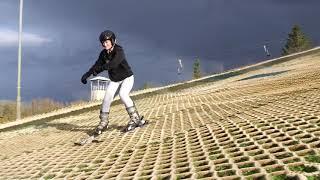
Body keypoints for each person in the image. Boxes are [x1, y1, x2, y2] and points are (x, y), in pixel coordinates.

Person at [81, 30, 146, 134]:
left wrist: (100, 69)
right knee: (106, 99)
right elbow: (96, 65)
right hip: (115, 79)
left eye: (107, 42)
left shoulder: (119, 50)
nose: (105, 44)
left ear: (112, 41)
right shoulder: (103, 54)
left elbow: (113, 64)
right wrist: (87, 75)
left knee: (123, 94)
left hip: (127, 78)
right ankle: (103, 122)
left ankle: (135, 118)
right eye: (103, 42)